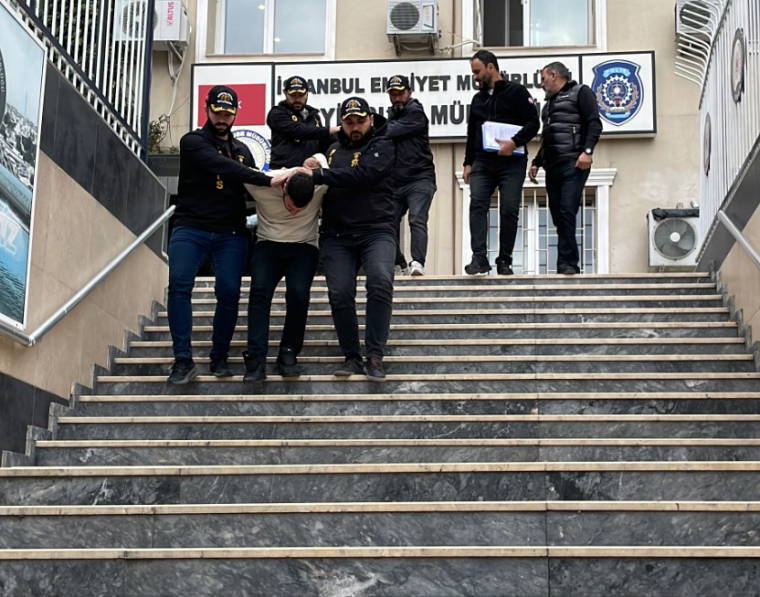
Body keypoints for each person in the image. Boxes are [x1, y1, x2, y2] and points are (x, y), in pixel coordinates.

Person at [166, 85, 278, 385]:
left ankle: (219, 357)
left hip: (231, 232)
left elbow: (253, 191)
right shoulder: (192, 141)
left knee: (229, 293)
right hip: (191, 227)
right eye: (217, 112)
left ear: (235, 114)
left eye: (228, 113)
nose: (222, 118)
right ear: (207, 109)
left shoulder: (242, 151)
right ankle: (182, 360)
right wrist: (267, 179)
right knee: (179, 286)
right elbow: (224, 167)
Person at [288, 97, 396, 381]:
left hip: (376, 230)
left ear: (370, 119)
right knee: (339, 293)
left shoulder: (382, 144)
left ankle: (375, 355)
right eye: (349, 122)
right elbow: (316, 174)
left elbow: (364, 175)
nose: (355, 127)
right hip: (337, 234)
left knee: (380, 281)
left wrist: (319, 174)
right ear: (342, 124)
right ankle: (352, 356)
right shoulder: (332, 149)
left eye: (360, 121)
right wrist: (311, 166)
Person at [241, 159, 328, 383]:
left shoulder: (319, 185)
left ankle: (289, 352)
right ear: (284, 189)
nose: (295, 211)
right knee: (259, 293)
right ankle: (256, 358)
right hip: (268, 244)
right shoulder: (261, 185)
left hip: (304, 245)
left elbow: (325, 162)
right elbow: (240, 170)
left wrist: (309, 164)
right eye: (291, 205)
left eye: (301, 208)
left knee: (299, 294)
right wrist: (275, 175)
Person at [463, 50, 540, 275]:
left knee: (508, 209)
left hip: (512, 162)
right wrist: (468, 162)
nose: (475, 77)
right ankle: (479, 258)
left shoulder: (517, 92)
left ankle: (504, 260)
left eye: (477, 72)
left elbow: (534, 123)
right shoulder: (478, 99)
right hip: (483, 162)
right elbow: (472, 132)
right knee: (477, 204)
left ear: (491, 67)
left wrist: (514, 142)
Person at [527, 61, 603, 275]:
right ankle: (566, 261)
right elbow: (548, 137)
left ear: (554, 75)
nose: (542, 84)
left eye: (543, 79)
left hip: (574, 162)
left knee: (567, 210)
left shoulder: (581, 92)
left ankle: (568, 264)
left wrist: (587, 152)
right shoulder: (548, 106)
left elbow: (594, 123)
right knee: (557, 215)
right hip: (552, 166)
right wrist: (537, 162)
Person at [384, 74, 436, 276]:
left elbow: (389, 131)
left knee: (416, 219)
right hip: (396, 182)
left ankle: (417, 262)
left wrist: (372, 126)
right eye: (393, 94)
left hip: (419, 178)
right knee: (387, 223)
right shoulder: (392, 115)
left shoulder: (415, 112)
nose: (397, 97)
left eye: (400, 93)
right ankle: (400, 263)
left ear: (409, 92)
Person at [267, 75, 339, 169]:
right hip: (283, 171)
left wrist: (343, 135)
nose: (297, 99)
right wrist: (330, 130)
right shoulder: (277, 113)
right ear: (285, 93)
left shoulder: (314, 116)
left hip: (309, 172)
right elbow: (299, 131)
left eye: (301, 95)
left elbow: (323, 143)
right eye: (293, 95)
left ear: (307, 93)